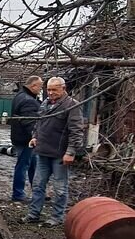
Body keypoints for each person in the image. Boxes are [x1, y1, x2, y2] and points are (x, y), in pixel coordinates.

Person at [26, 77, 86, 226]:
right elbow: (39, 123)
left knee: (60, 188)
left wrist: (71, 152)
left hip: (60, 155)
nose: (51, 92)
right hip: (42, 152)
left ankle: (56, 217)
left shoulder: (71, 106)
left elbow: (76, 131)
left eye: (54, 90)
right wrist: (35, 137)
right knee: (38, 184)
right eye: (49, 89)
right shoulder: (45, 104)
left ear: (63, 89)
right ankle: (34, 214)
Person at [8, 76, 43, 201]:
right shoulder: (28, 100)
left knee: (33, 165)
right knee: (23, 166)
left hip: (20, 137)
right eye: (40, 86)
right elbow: (30, 123)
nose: (40, 89)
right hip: (26, 140)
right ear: (33, 86)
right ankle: (18, 194)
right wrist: (36, 138)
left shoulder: (19, 96)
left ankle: (38, 192)